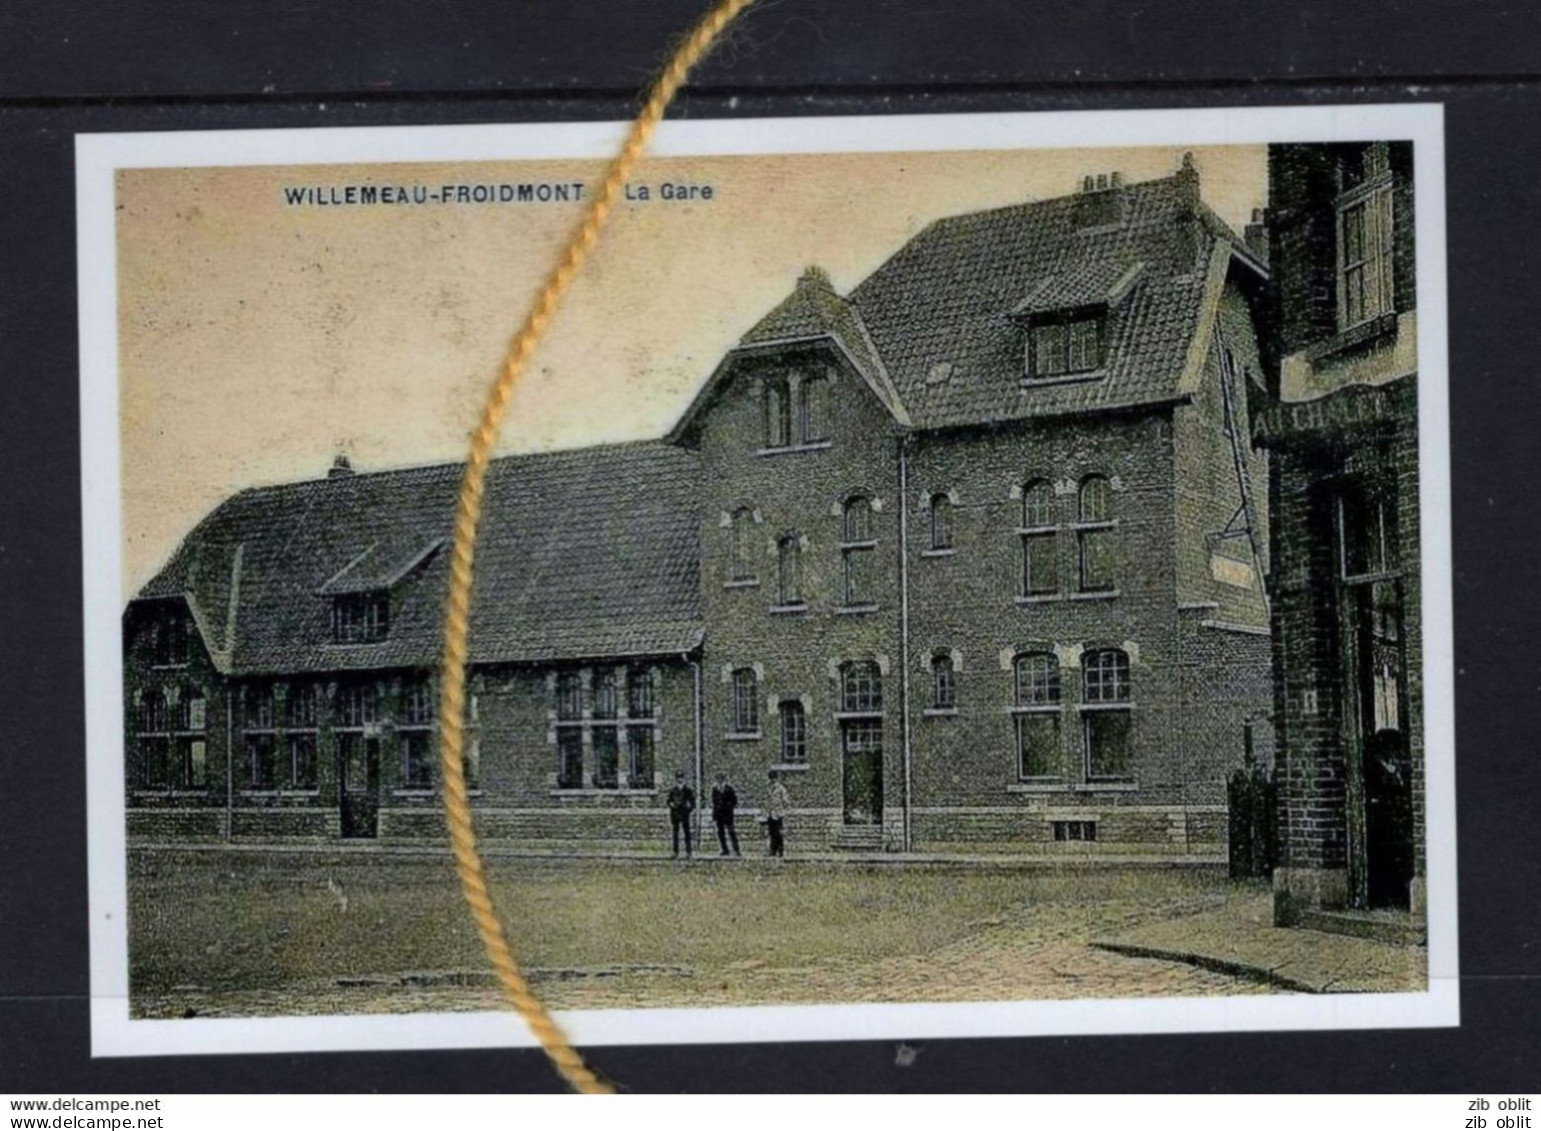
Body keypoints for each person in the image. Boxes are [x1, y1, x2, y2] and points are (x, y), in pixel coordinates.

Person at [666, 769, 696, 858]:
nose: (680, 780)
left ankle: (688, 851)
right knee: (675, 833)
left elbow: (692, 802)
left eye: (681, 778)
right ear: (676, 779)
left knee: (687, 833)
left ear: (684, 779)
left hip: (684, 814)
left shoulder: (688, 790)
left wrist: (688, 809)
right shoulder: (673, 790)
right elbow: (669, 801)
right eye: (678, 778)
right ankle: (675, 851)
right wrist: (671, 805)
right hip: (675, 814)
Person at [711, 772, 741, 857]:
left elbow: (734, 800)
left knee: (731, 832)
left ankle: (736, 849)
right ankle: (724, 849)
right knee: (721, 833)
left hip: (727, 814)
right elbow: (714, 802)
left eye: (721, 779)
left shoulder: (729, 789)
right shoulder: (715, 789)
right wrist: (714, 815)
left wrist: (729, 807)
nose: (719, 781)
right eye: (718, 780)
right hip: (719, 815)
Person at [764, 769, 790, 858]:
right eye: (771, 779)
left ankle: (780, 850)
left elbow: (786, 801)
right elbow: (766, 800)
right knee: (772, 833)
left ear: (776, 779)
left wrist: (781, 806)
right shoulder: (768, 788)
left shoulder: (781, 788)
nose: (772, 781)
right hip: (770, 813)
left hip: (778, 813)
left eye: (774, 779)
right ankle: (773, 850)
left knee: (779, 833)